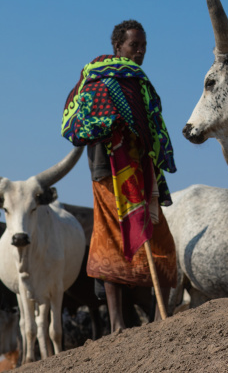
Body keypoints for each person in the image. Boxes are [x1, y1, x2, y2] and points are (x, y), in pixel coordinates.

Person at [62, 20, 177, 331]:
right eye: (133, 46)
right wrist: (111, 124)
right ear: (117, 47)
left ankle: (159, 319)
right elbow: (75, 123)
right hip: (107, 172)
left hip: (143, 170)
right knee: (112, 240)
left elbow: (153, 122)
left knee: (160, 238)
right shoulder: (95, 79)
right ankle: (116, 326)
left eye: (143, 47)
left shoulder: (139, 82)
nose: (139, 52)